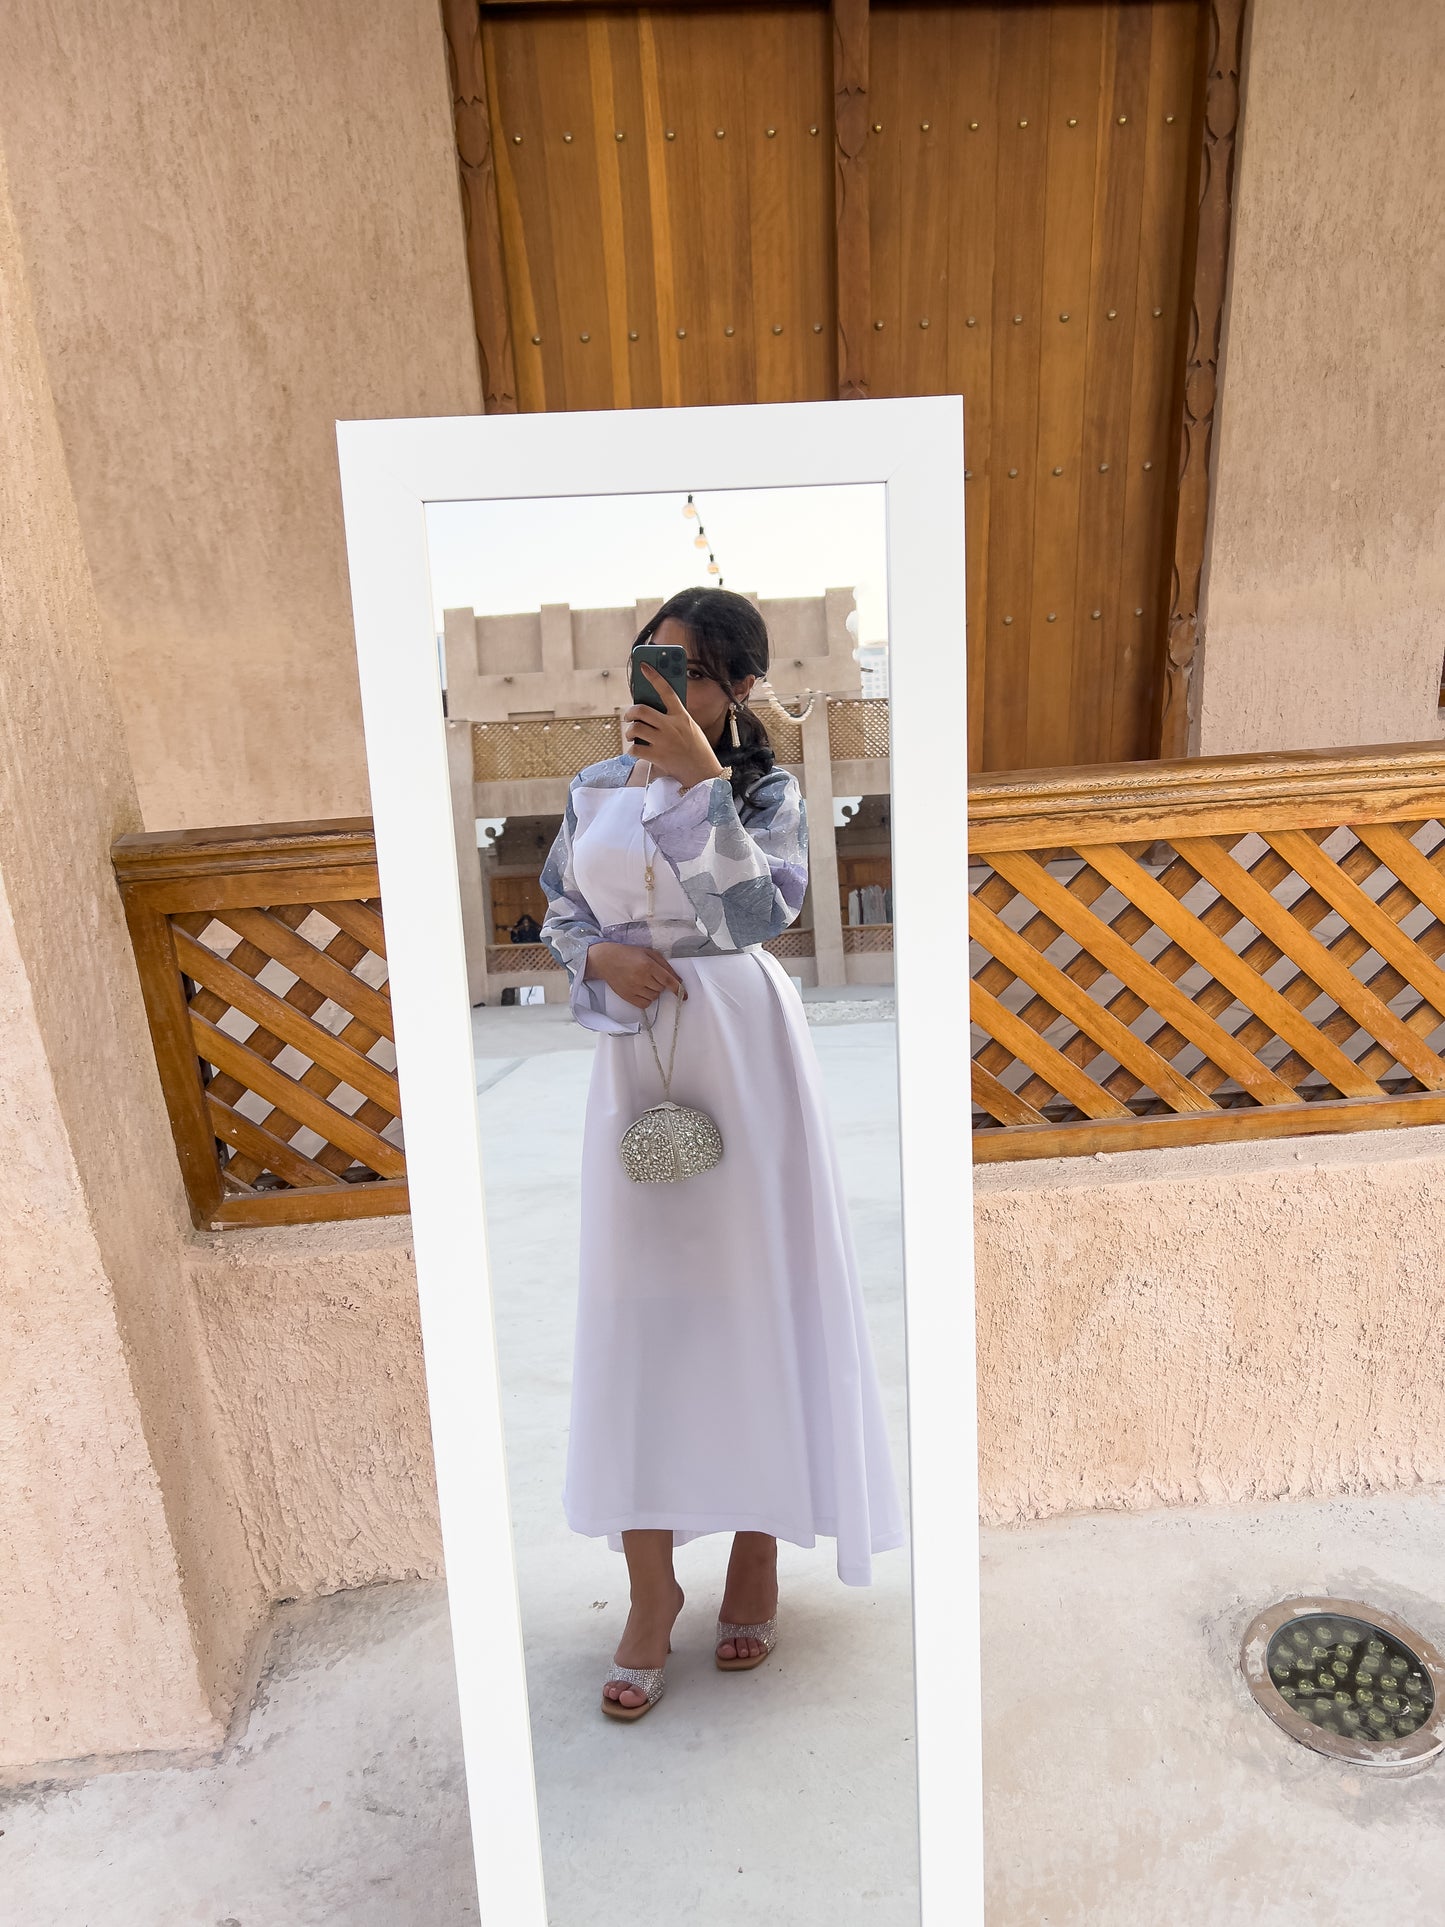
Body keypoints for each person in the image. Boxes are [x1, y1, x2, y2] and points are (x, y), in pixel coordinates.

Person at [539, 587, 902, 1723]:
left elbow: (753, 915)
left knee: (759, 1293)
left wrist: (697, 780)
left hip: (743, 1051)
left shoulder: (763, 788)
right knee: (641, 1309)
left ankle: (757, 1550)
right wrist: (598, 962)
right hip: (640, 1055)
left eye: (687, 670)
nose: (656, 686)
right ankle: (648, 1587)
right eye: (647, 663)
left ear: (736, 686)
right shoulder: (592, 788)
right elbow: (556, 909)